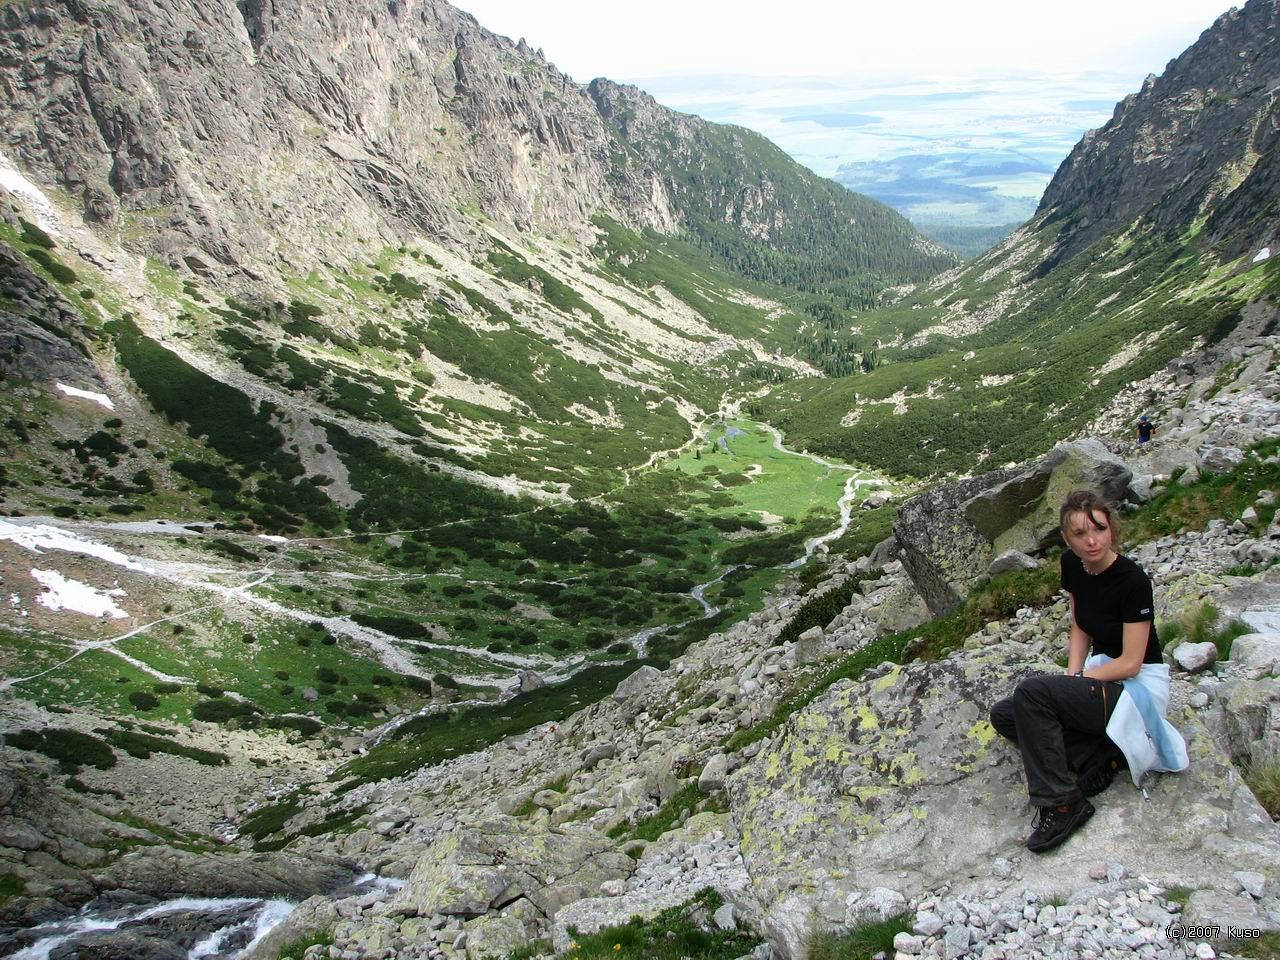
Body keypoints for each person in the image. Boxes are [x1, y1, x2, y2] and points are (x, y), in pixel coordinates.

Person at [989, 490, 1188, 853]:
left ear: (1111, 528)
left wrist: (1076, 684)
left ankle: (1063, 802)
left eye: (1098, 528)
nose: (1091, 540)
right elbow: (1080, 622)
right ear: (1067, 539)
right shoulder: (1072, 564)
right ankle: (1101, 754)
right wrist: (1073, 673)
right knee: (1004, 714)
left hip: (1138, 687)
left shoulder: (1133, 581)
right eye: (1080, 533)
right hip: (1105, 677)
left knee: (1033, 694)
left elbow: (1131, 662)